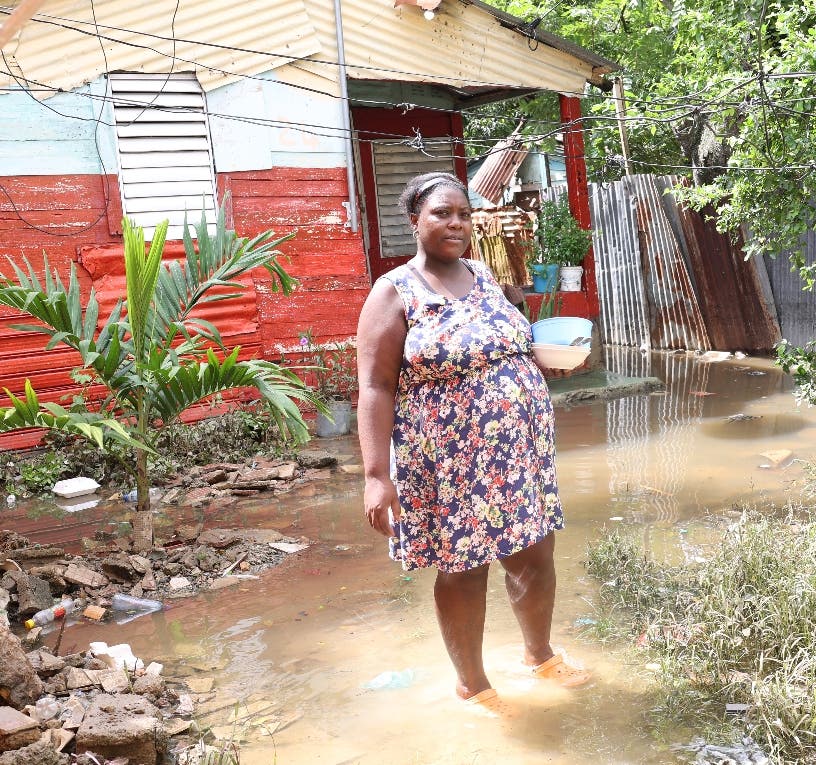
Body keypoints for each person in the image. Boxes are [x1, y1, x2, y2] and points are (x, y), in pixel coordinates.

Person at [356, 171, 590, 711]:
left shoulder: (486, 276)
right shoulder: (394, 292)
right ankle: (473, 685)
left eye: (463, 214)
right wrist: (375, 477)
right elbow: (373, 387)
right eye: (442, 213)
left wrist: (538, 364)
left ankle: (540, 655)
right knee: (463, 567)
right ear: (414, 220)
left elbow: (512, 346)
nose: (456, 223)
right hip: (447, 463)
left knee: (536, 554)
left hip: (516, 455)